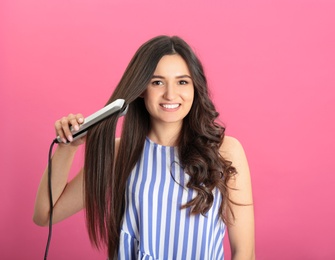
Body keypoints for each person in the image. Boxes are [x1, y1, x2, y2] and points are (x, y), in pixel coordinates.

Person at [33, 35, 255, 259]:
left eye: (182, 82)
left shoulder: (226, 151)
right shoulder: (121, 153)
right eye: (157, 82)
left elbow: (245, 252)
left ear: (195, 87)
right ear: (141, 89)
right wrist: (68, 147)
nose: (170, 94)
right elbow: (44, 215)